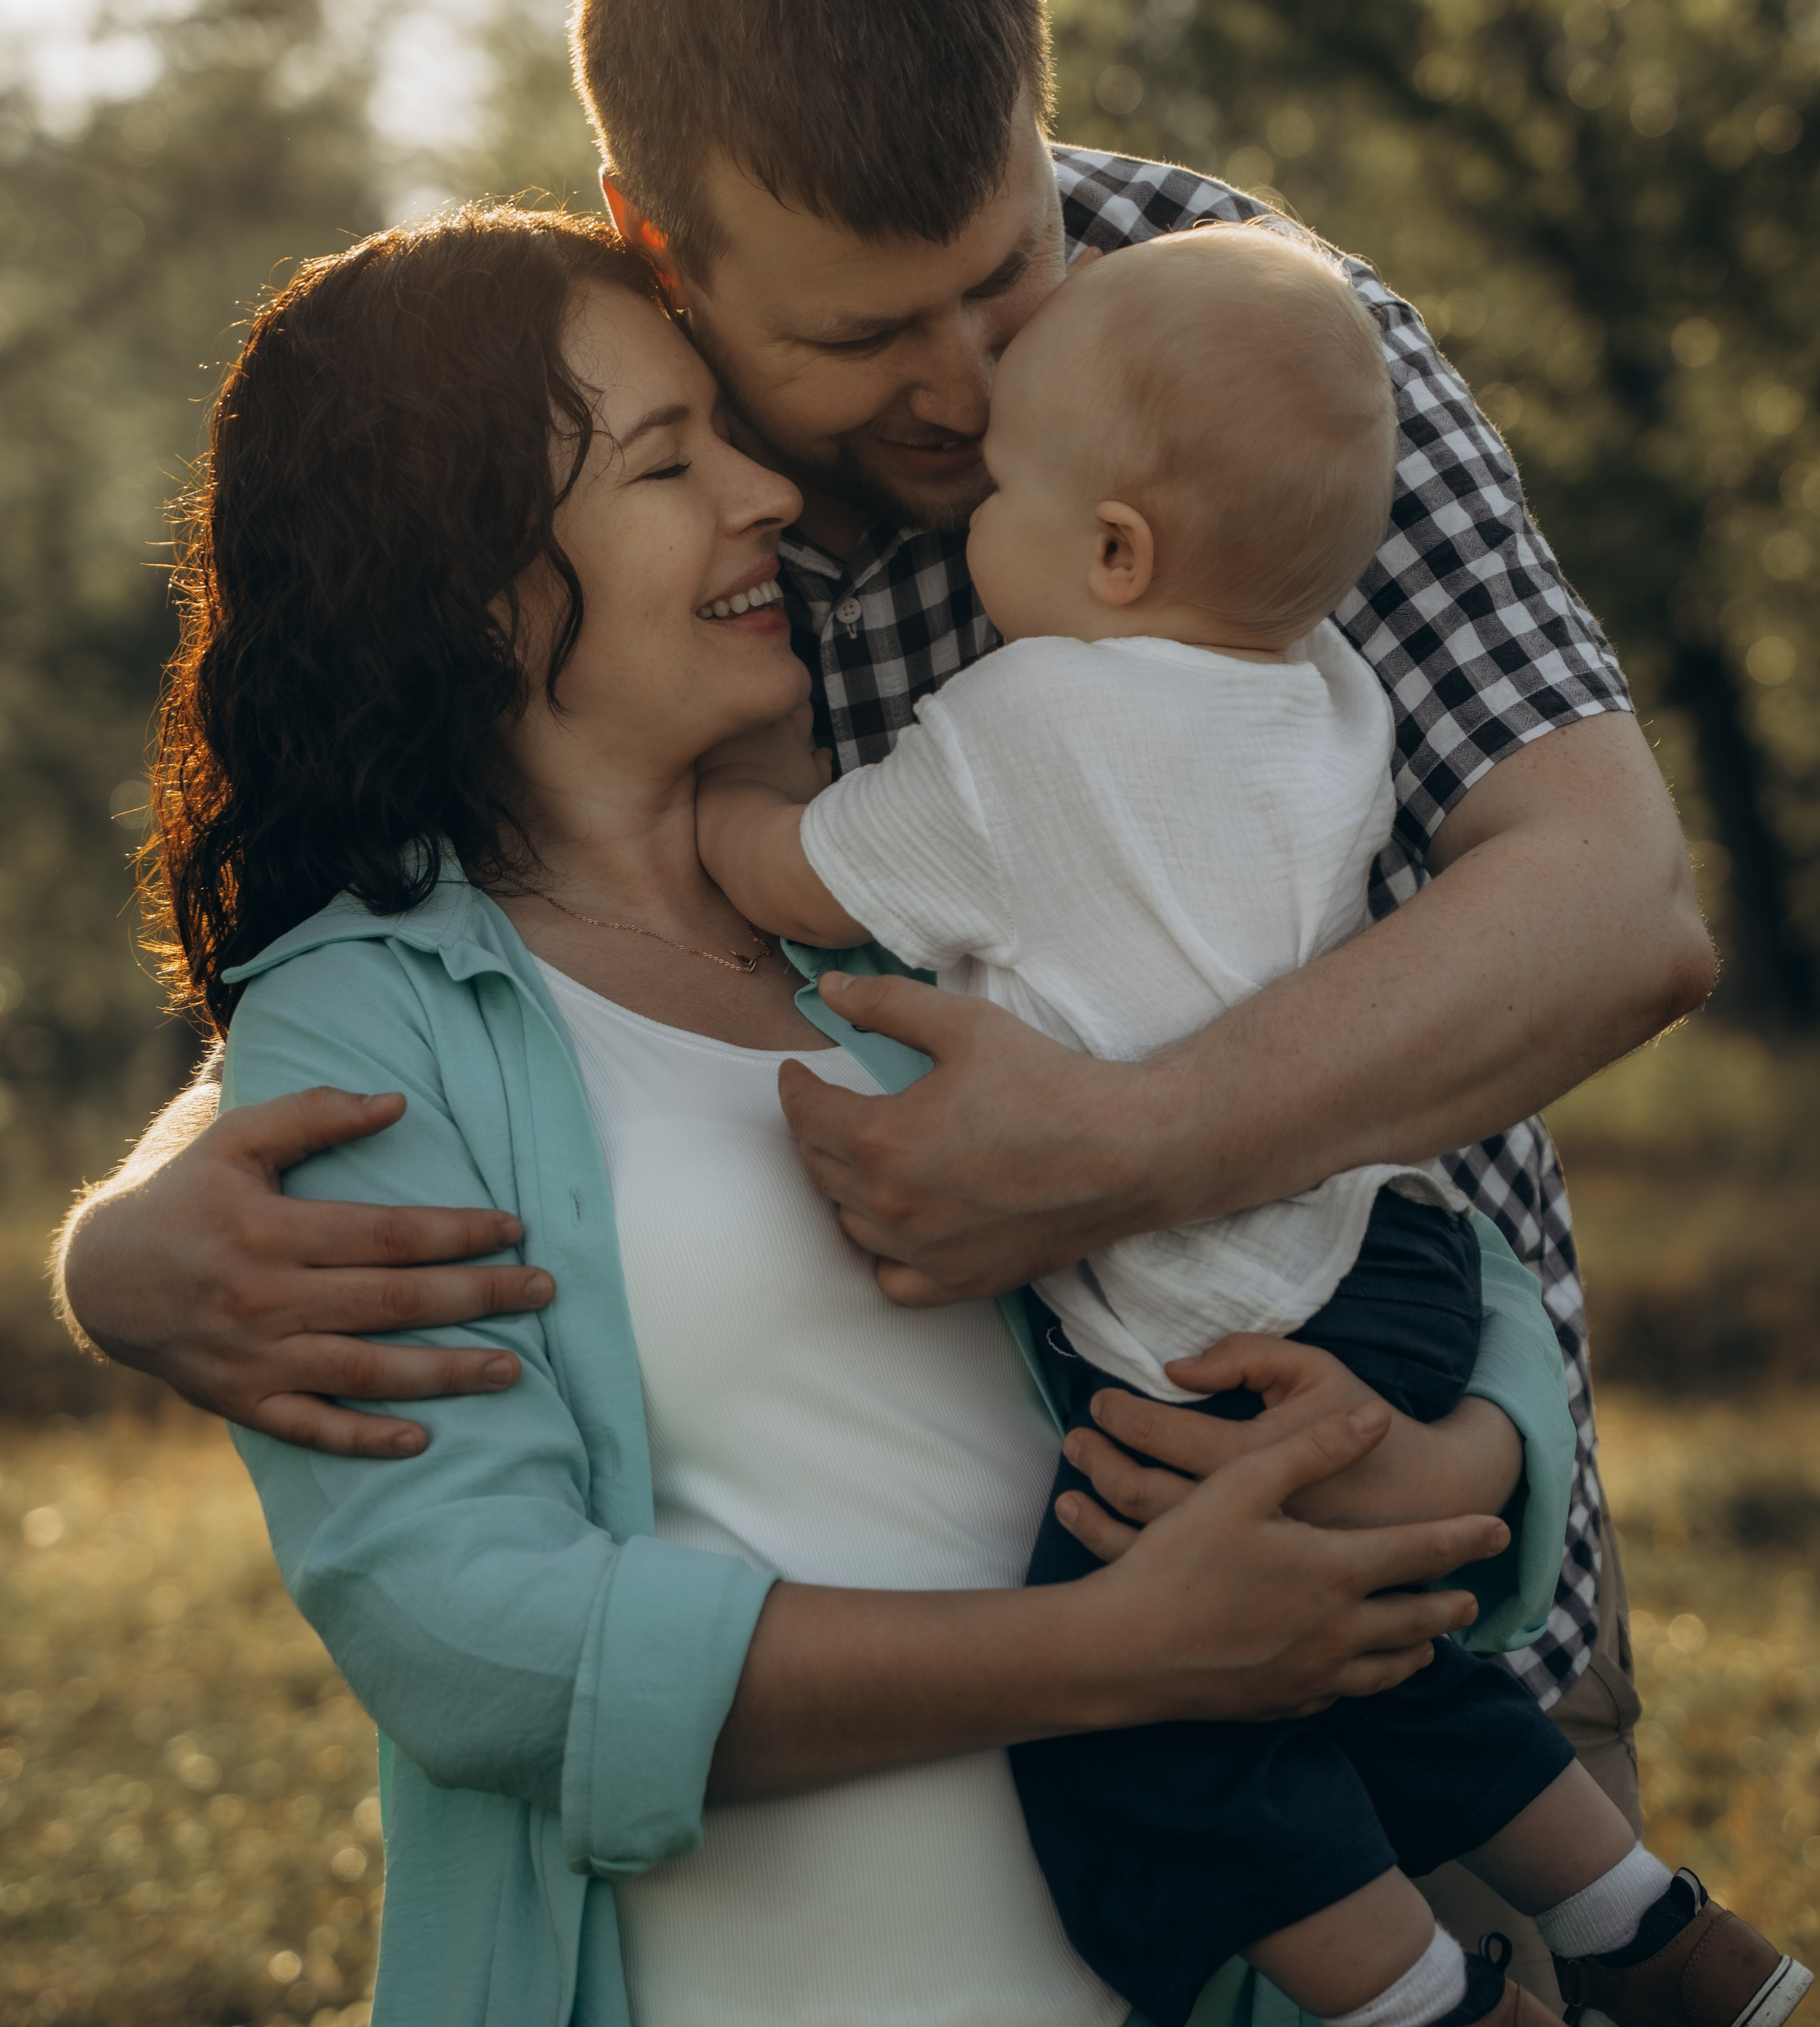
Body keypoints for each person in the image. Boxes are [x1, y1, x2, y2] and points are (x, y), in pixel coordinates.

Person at [58, 0, 1712, 1986]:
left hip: (1423, 1590)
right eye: (862, 339)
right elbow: (491, 978)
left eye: (1005, 268)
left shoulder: (1231, 340)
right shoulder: (618, 475)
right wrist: (140, 1225)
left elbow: (1620, 906)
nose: (973, 381)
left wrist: (1170, 1191)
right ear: (667, 247)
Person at [140, 200, 1556, 2027]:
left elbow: (1360, 1205)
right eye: (667, 461)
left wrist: (1473, 1462)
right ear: (466, 575)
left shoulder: (911, 908)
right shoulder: (376, 1018)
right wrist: (1099, 1656)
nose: (769, 500)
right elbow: (477, 1641)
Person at [693, 223, 1806, 2027]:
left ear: (1111, 549)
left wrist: (739, 773)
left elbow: (794, 878)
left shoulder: (1017, 724)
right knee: (1379, 1656)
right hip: (1398, 1277)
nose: (968, 424)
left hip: (1217, 1328)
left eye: (1003, 489)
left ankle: (1428, 2006)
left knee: (1158, 1713)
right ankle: (1648, 1927)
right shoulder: (1329, 706)